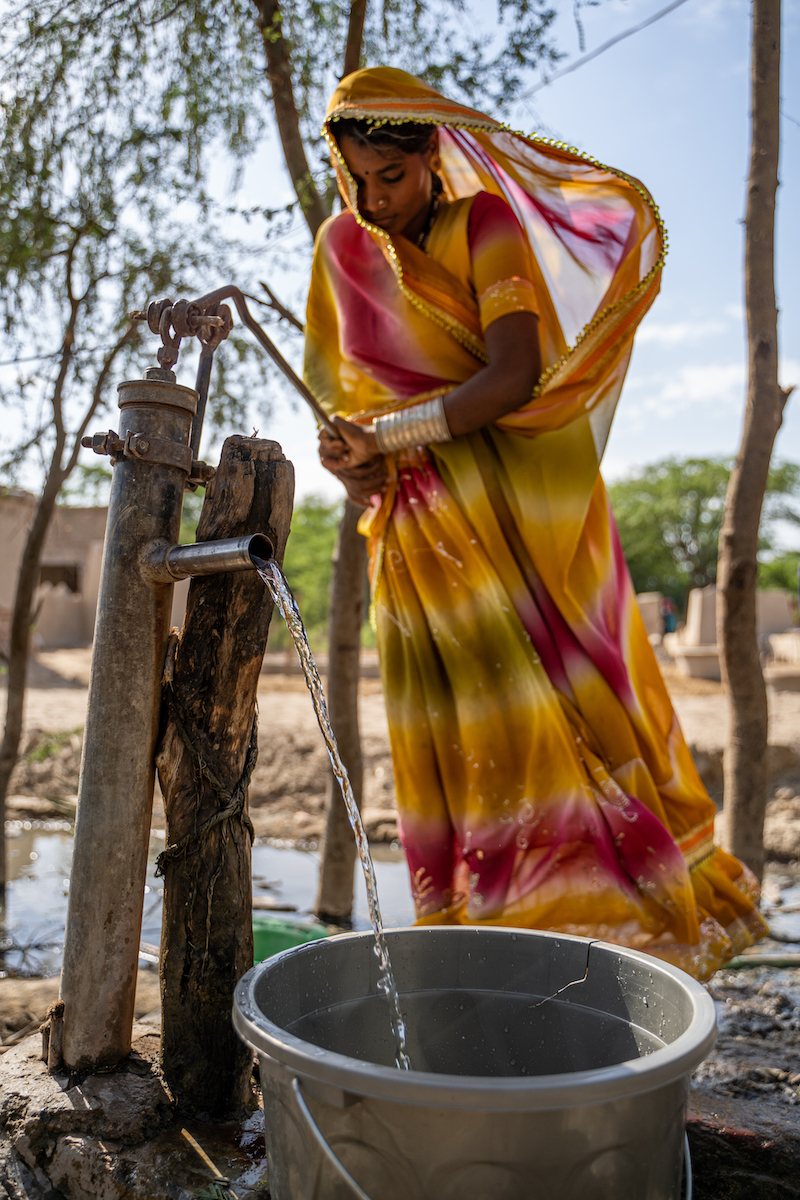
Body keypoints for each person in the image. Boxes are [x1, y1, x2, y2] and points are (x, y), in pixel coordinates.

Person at [304, 66, 767, 980]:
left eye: (388, 177)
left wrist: (390, 432)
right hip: (414, 533)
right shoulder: (341, 249)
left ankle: (599, 948)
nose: (371, 198)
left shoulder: (486, 226)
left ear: (430, 155)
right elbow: (344, 403)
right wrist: (348, 453)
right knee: (456, 733)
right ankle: (483, 944)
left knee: (555, 716)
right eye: (354, 178)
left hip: (512, 518)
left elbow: (512, 377)